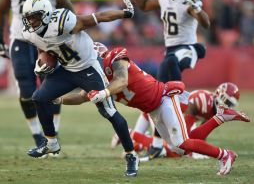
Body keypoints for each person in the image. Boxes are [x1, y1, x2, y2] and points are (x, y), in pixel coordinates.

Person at [55, 43, 250, 175]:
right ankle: (220, 117)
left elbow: (121, 81)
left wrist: (104, 93)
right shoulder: (97, 79)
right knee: (178, 148)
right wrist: (58, 100)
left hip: (165, 97)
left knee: (182, 141)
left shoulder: (116, 60)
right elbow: (80, 97)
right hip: (152, 109)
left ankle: (225, 154)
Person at [21, 0, 139, 177]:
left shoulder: (63, 22)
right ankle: (51, 142)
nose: (31, 21)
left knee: (109, 112)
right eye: (28, 17)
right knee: (39, 98)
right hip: (67, 70)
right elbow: (42, 46)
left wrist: (125, 13)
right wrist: (41, 60)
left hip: (88, 68)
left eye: (35, 16)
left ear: (45, 15)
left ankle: (131, 155)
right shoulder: (29, 33)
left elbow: (99, 17)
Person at [131, 0, 210, 157]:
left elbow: (205, 23)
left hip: (189, 47)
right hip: (170, 52)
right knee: (158, 93)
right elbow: (145, 5)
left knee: (171, 64)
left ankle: (179, 103)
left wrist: (197, 8)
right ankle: (158, 143)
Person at [0, 0, 74, 147]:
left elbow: (70, 12)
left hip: (49, 42)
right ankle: (37, 135)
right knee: (26, 90)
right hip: (21, 40)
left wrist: (68, 36)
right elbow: (2, 10)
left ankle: (54, 133)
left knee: (54, 88)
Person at [129, 82, 247, 159]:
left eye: (231, 104)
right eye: (227, 102)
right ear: (220, 95)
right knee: (177, 148)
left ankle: (136, 143)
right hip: (158, 113)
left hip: (167, 115)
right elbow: (186, 138)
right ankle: (129, 135)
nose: (228, 105)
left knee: (176, 149)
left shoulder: (211, 107)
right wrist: (195, 151)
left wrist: (199, 150)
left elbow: (197, 138)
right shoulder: (202, 101)